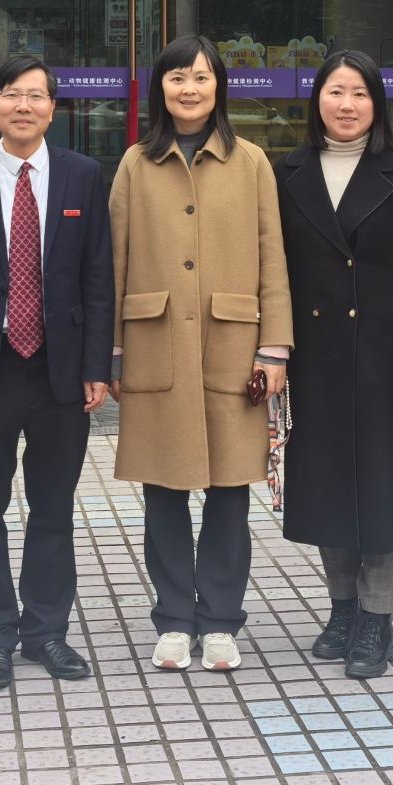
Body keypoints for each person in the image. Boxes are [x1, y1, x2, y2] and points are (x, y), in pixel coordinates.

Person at [0, 56, 114, 691]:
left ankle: (46, 632)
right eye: (11, 94)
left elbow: (98, 277)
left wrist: (97, 365)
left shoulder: (83, 175)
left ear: (53, 109)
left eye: (36, 96)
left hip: (60, 370)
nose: (23, 106)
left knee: (53, 508)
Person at [110, 34, 292, 674]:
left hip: (234, 347)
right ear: (159, 89)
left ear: (220, 87)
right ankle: (172, 618)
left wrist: (275, 348)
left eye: (202, 77)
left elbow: (273, 256)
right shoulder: (135, 163)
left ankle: (219, 620)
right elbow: (114, 260)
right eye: (177, 78)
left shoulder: (253, 163)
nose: (189, 89)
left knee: (229, 493)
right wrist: (112, 352)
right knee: (162, 490)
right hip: (155, 343)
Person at [275, 50, 393, 680]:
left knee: (383, 486)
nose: (346, 105)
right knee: (328, 483)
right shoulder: (286, 171)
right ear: (316, 100)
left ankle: (377, 618)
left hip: (387, 352)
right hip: (315, 354)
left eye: (359, 93)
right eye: (335, 92)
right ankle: (342, 609)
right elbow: (274, 267)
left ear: (377, 104)